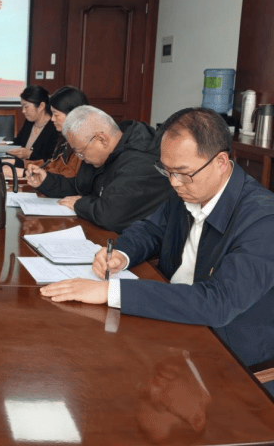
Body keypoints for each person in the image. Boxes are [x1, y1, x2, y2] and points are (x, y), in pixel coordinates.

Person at [40, 108, 274, 394]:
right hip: (173, 320)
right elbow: (150, 228)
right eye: (167, 171)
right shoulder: (189, 189)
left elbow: (218, 303)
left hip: (224, 356)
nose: (174, 183)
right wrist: (120, 253)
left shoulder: (264, 220)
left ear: (221, 162)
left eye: (183, 173)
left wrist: (111, 292)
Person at [25, 105, 171, 232]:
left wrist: (79, 204)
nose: (81, 158)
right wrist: (46, 180)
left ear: (102, 139)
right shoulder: (109, 151)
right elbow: (81, 187)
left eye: (80, 152)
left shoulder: (140, 162)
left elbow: (110, 215)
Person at [5, 85, 88, 180]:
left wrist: (24, 172)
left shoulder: (81, 142)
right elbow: (52, 164)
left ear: (72, 114)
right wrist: (19, 163)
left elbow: (68, 177)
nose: (52, 119)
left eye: (56, 115)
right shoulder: (66, 138)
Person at [4, 85, 60, 168]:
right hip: (21, 168)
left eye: (26, 107)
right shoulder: (29, 122)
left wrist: (29, 154)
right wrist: (4, 147)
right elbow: (17, 143)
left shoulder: (55, 128)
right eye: (22, 107)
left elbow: (52, 160)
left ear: (41, 106)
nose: (23, 111)